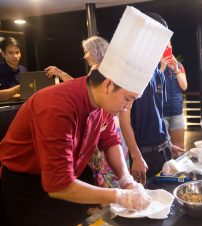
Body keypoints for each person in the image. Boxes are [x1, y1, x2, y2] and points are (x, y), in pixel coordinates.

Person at [0, 7, 173, 226]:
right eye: (128, 98)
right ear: (108, 84)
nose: (127, 107)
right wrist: (119, 196)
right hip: (30, 185)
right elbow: (58, 185)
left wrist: (125, 179)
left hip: (71, 177)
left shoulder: (104, 105)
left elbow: (110, 141)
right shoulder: (57, 106)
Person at [44, 36, 123, 188]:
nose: (85, 55)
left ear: (95, 51)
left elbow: (83, 92)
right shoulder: (109, 69)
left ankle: (105, 198)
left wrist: (60, 73)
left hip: (103, 123)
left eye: (87, 51)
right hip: (108, 123)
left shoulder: (99, 71)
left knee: (104, 167)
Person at [120, 12, 184, 185]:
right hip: (142, 154)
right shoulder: (132, 70)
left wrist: (168, 144)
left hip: (163, 150)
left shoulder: (158, 74)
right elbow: (124, 119)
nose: (162, 45)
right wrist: (136, 156)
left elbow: (159, 115)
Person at [45, 35, 109, 82]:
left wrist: (60, 73)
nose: (84, 57)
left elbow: (80, 88)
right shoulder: (104, 67)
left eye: (86, 52)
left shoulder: (98, 70)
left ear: (95, 51)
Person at [161, 42, 188, 148]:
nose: (166, 48)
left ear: (171, 47)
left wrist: (176, 69)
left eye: (168, 46)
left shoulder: (179, 66)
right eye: (164, 46)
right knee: (164, 148)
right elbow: (153, 88)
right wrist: (162, 68)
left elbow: (184, 86)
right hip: (161, 113)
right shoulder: (155, 66)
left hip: (177, 112)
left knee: (180, 147)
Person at [0, 37, 27, 101]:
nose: (15, 56)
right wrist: (17, 89)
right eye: (11, 53)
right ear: (3, 54)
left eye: (17, 52)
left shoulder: (23, 69)